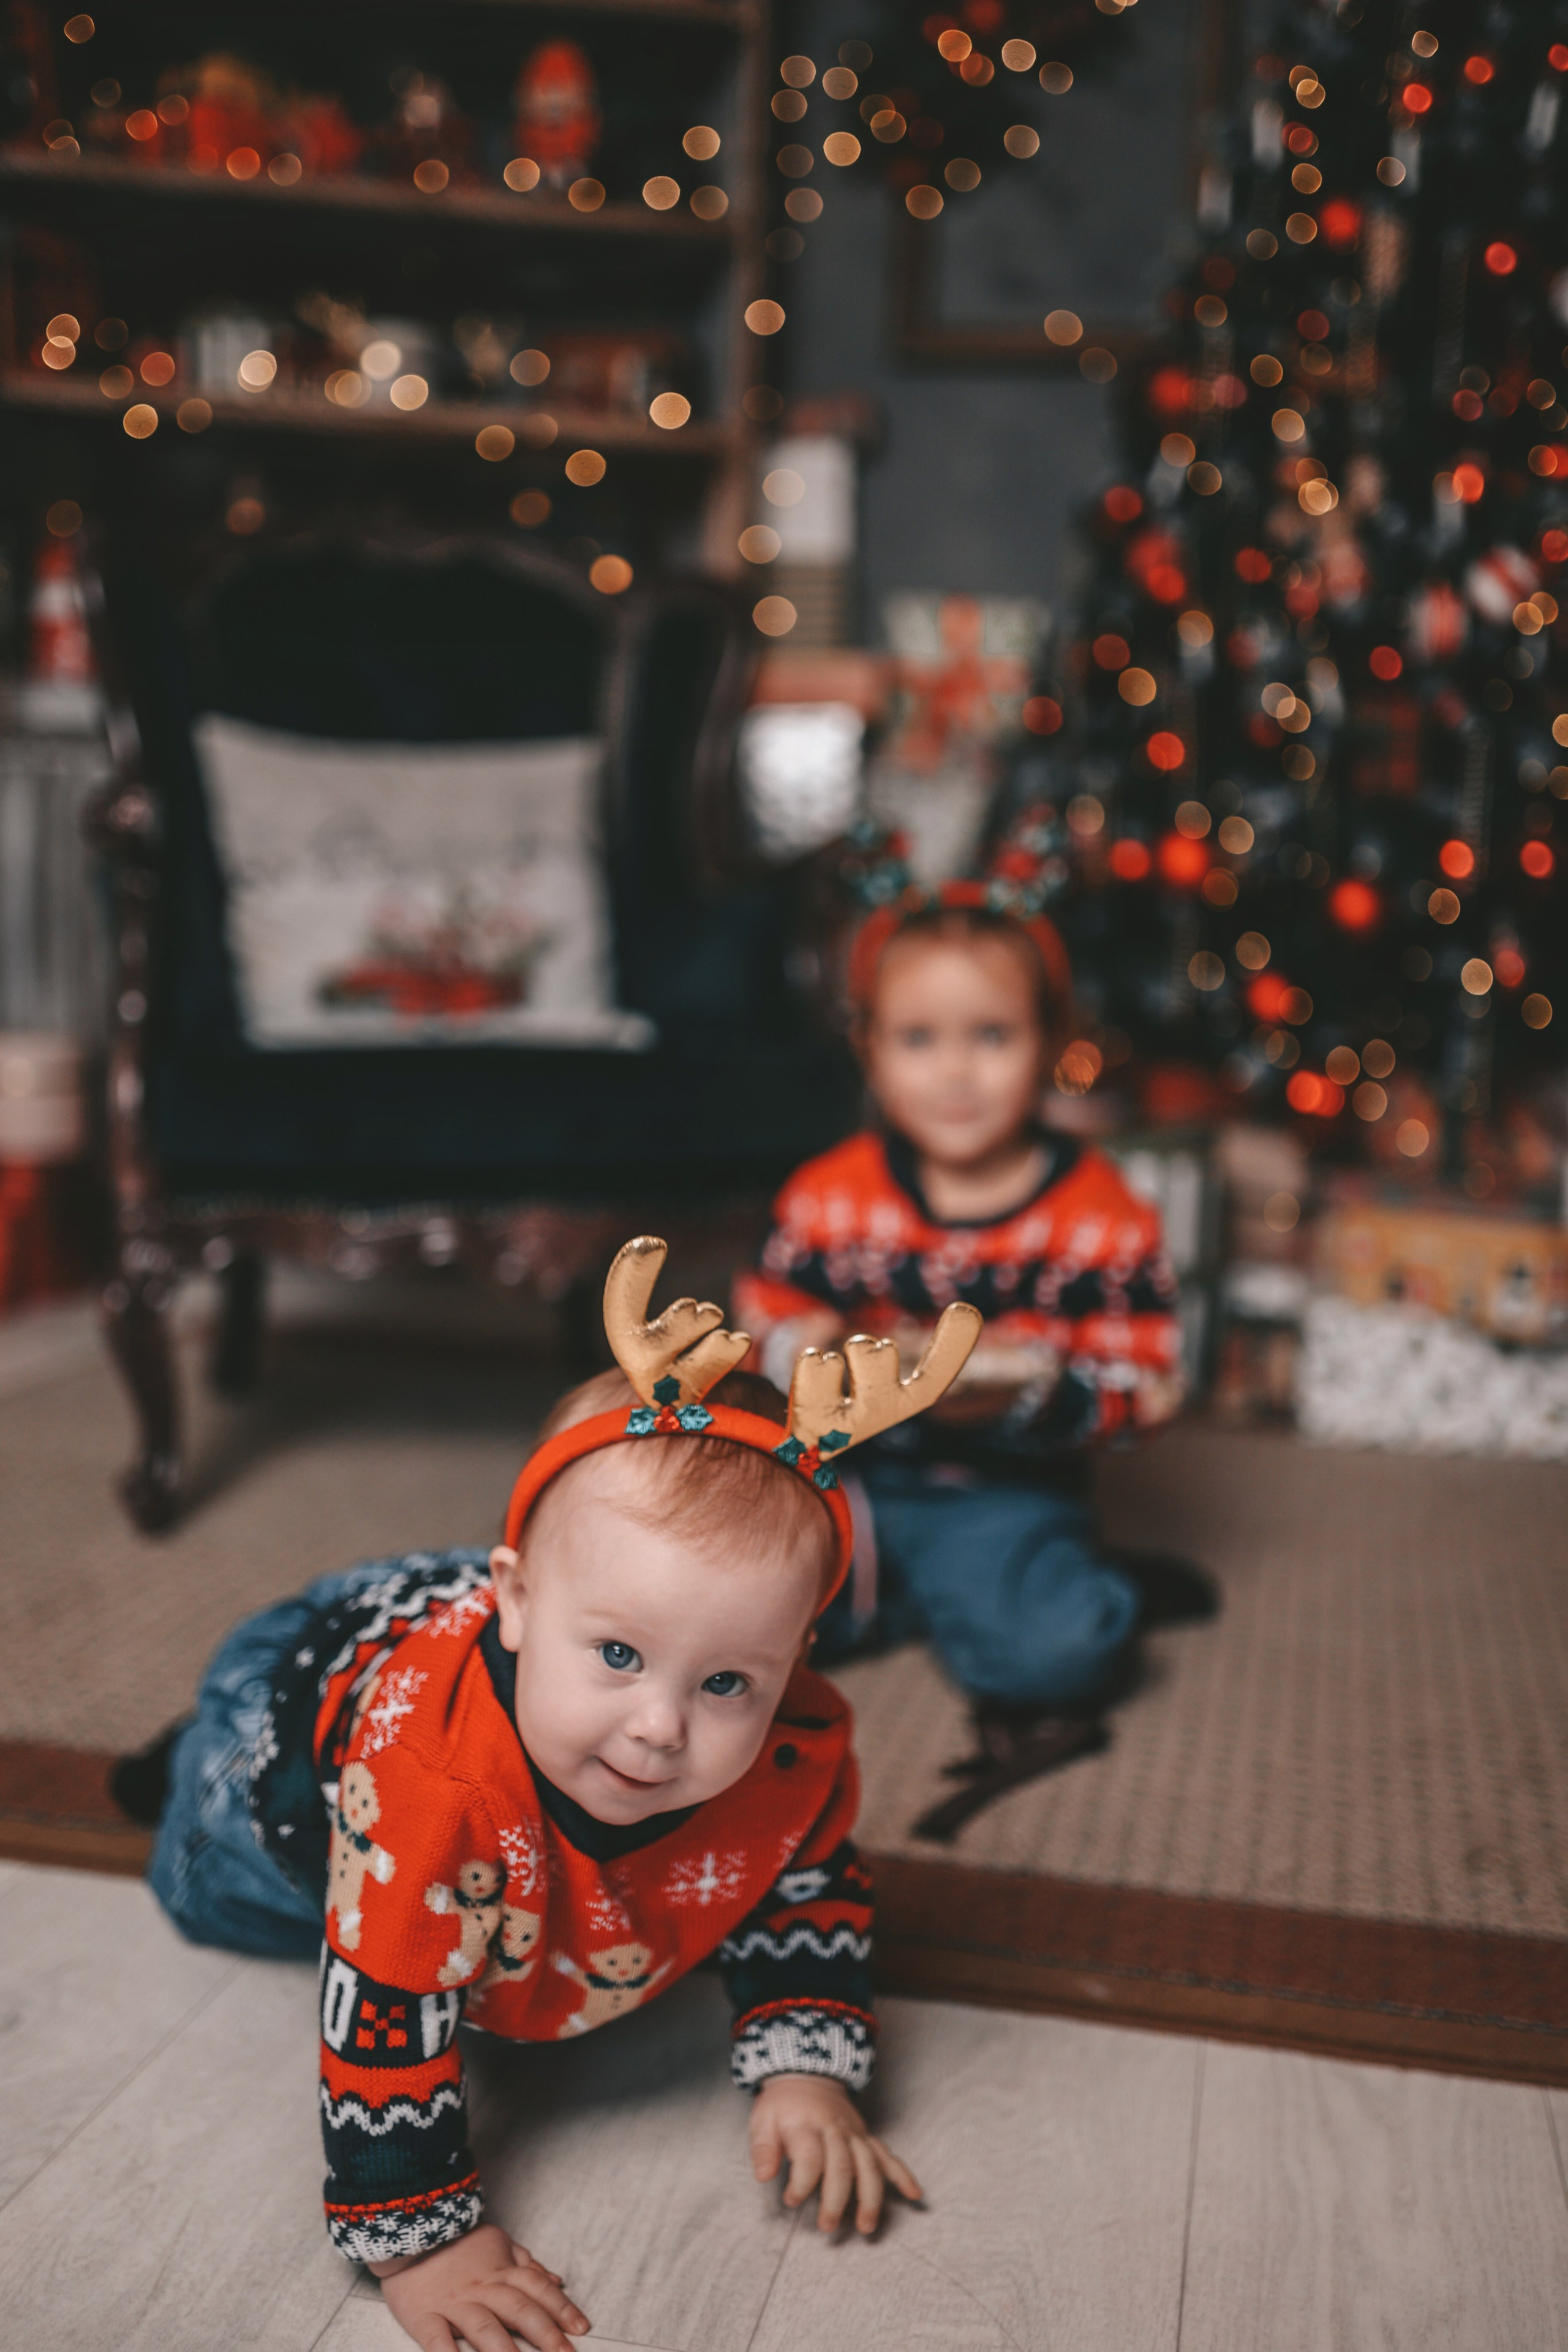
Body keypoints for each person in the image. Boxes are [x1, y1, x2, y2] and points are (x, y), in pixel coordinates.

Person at [138, 1237, 981, 2352]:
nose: (661, 1725)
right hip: (300, 1732)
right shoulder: (432, 1795)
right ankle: (179, 1768)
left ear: (795, 1658)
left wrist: (806, 2072)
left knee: (638, 1646)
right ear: (518, 1605)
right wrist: (421, 2240)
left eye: (729, 1680)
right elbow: (383, 2010)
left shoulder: (792, 1751)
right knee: (246, 1890)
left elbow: (804, 1894)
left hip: (500, 1622)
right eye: (622, 1658)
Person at [734, 855, 1202, 1812]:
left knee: (1059, 1656)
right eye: (918, 1038)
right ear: (868, 1048)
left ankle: (1042, 1585)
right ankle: (919, 1598)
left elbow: (1144, 1388)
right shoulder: (830, 1196)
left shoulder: (1103, 1217)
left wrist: (1030, 1394)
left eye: (990, 1035)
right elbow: (758, 1328)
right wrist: (798, 1346)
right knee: (728, 1619)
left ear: (1051, 1042)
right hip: (844, 1476)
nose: (954, 1072)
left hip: (1002, 1488)